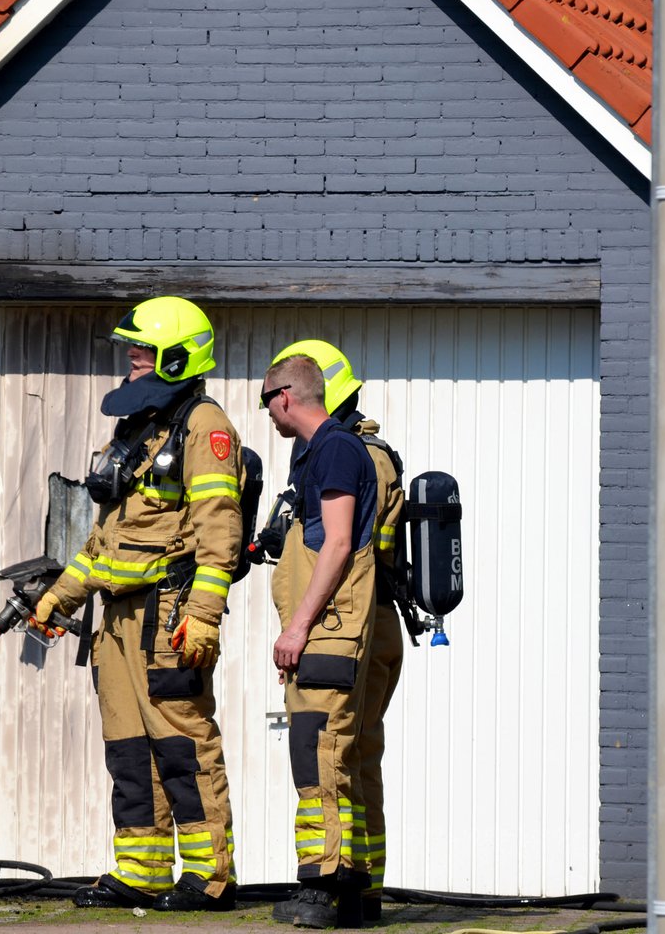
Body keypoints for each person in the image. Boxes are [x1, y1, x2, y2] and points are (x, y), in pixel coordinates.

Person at [30, 296, 243, 913]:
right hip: (118, 620)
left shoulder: (204, 425)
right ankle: (141, 871)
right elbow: (106, 539)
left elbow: (220, 529)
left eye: (142, 351)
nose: (131, 360)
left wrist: (203, 614)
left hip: (169, 612)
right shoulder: (139, 426)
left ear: (176, 357)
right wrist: (58, 596)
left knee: (181, 744)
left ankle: (209, 876)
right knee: (128, 749)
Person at [272, 340, 407, 925]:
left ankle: (323, 885)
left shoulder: (334, 451)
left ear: (286, 396)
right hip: (363, 623)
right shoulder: (359, 452)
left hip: (332, 626)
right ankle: (360, 890)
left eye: (265, 399)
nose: (266, 412)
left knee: (318, 750)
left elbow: (338, 542)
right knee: (353, 755)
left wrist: (298, 626)